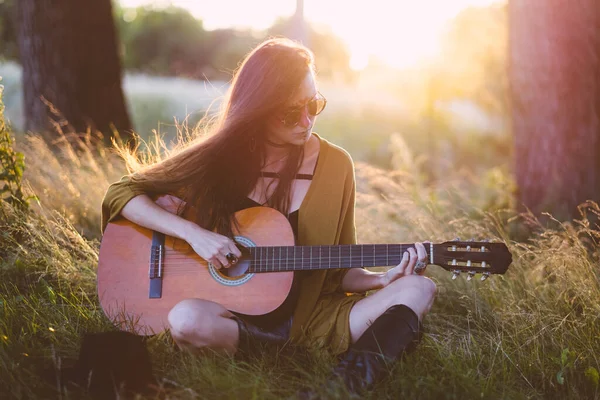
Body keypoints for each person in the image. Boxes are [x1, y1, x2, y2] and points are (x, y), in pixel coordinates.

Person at [101, 37, 436, 395]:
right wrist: (192, 234)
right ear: (257, 109)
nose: (306, 120)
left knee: (419, 287)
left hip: (315, 319)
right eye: (291, 113)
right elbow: (121, 194)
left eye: (313, 104)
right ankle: (287, 355)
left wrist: (380, 280)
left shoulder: (336, 165)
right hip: (230, 320)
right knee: (185, 319)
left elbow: (341, 271)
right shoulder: (217, 159)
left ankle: (338, 389)